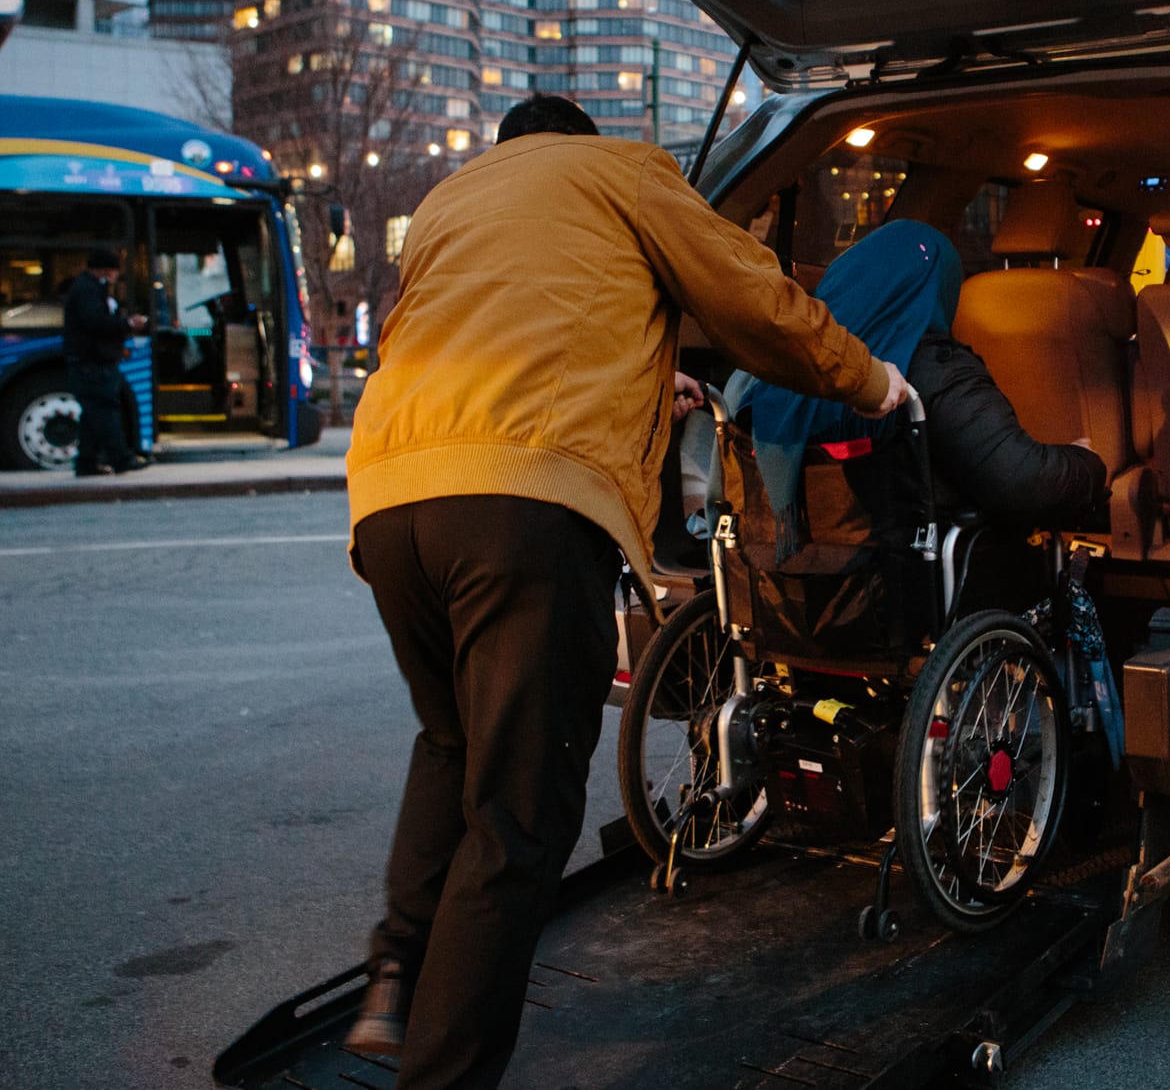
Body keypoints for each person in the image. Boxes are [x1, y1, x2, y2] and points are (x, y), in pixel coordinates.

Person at [341, 94, 909, 1089]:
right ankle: (443, 1076)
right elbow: (753, 299)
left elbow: (509, 337)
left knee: (451, 742)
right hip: (522, 508)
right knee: (519, 820)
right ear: (576, 141)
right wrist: (870, 383)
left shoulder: (450, 202)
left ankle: (396, 970)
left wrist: (658, 386)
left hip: (390, 503)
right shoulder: (621, 171)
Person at [730, 219, 1104, 546]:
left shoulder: (778, 376)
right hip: (908, 586)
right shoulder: (931, 368)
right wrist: (1085, 463)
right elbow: (1023, 484)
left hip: (793, 588)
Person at [61, 247, 148, 476]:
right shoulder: (89, 290)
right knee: (106, 408)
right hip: (94, 360)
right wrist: (127, 325)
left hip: (88, 359)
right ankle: (121, 458)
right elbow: (96, 322)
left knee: (92, 413)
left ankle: (86, 462)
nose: (116, 275)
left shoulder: (85, 288)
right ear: (105, 270)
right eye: (114, 270)